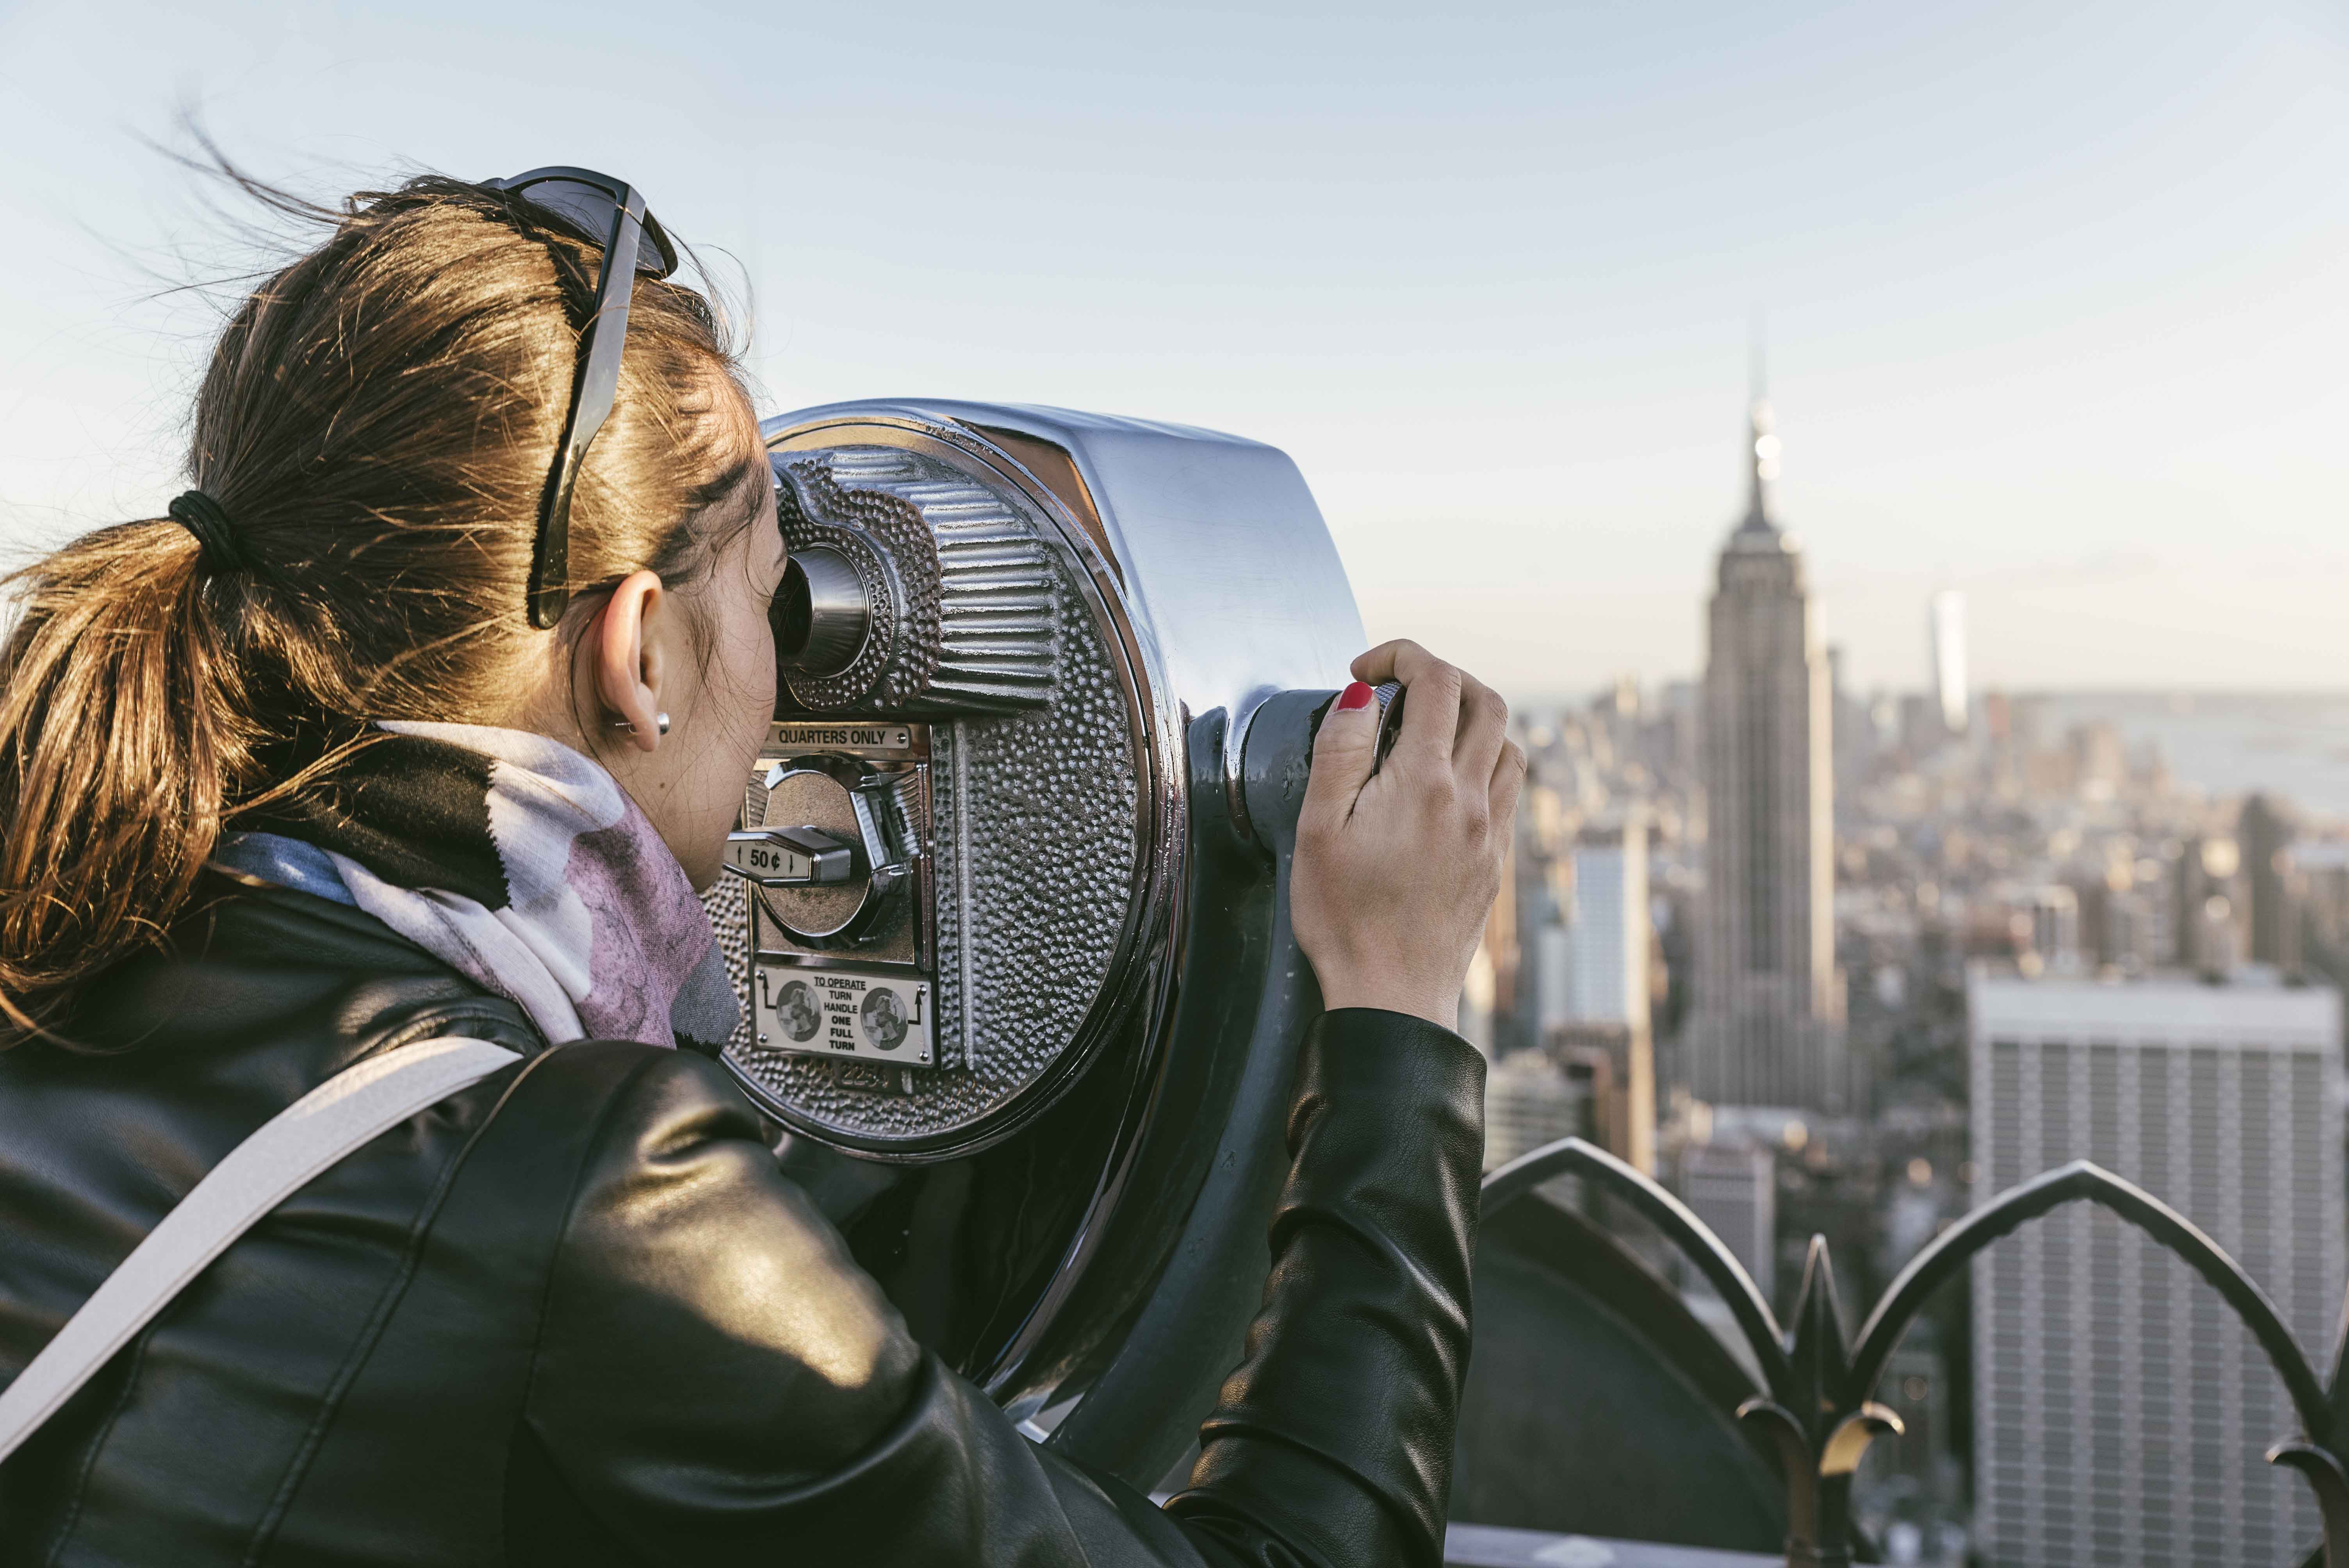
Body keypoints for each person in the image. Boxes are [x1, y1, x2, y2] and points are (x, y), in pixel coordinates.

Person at [0, 166, 1523, 1566]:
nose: (791, 685)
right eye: (780, 604)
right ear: (640, 648)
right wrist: (1396, 1007)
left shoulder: (71, 968)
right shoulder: (588, 1186)